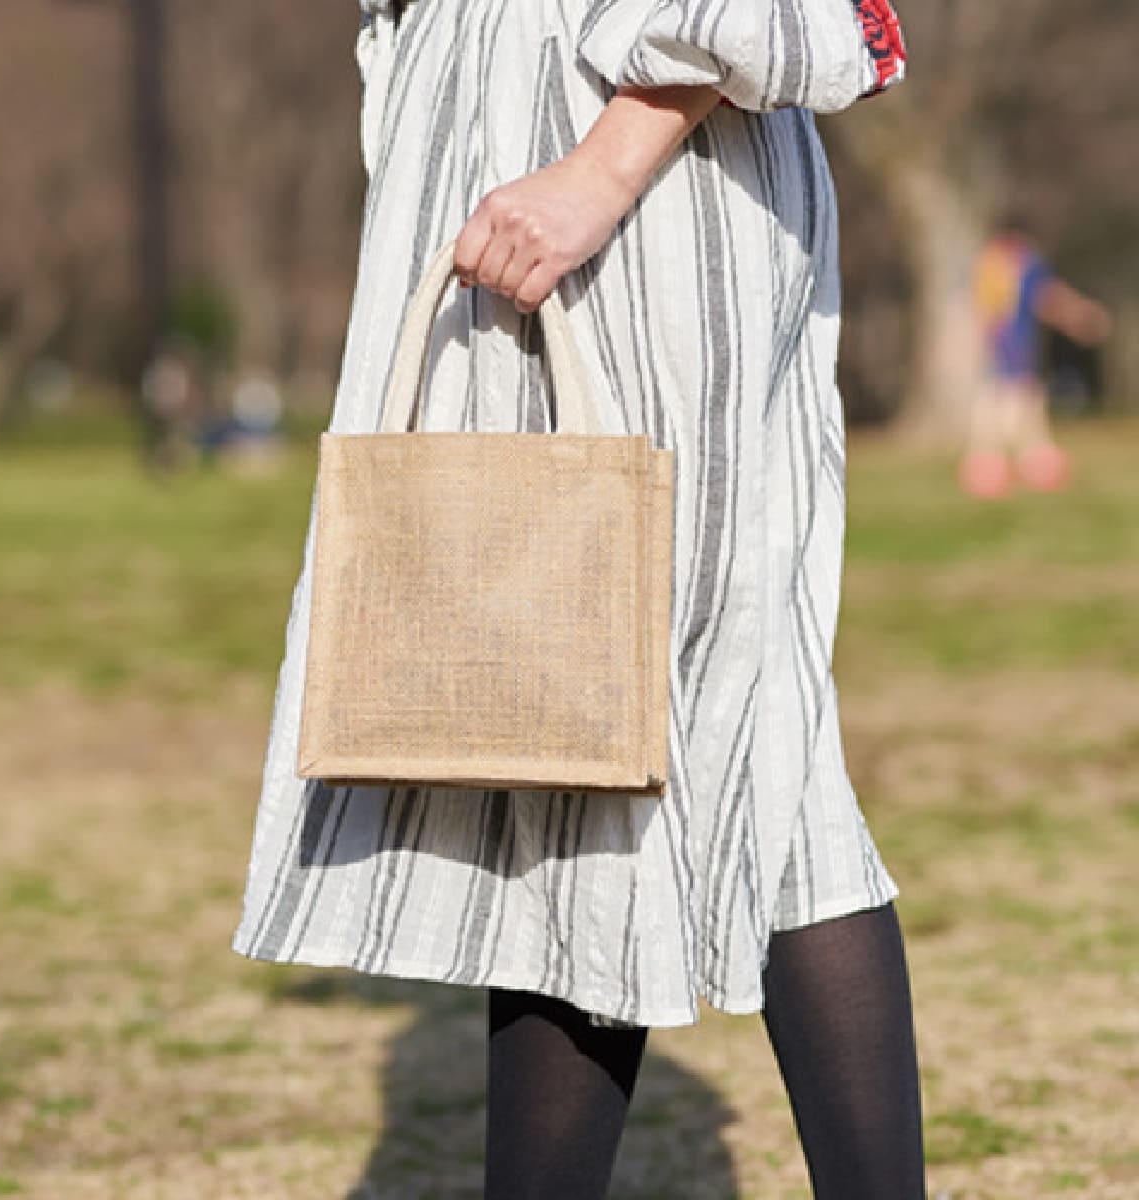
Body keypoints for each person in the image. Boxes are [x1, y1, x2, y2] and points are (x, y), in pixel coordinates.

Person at [232, 2, 924, 1197]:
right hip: (529, 166)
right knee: (678, 751)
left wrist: (600, 172)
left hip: (623, 201)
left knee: (605, 734)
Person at [962, 216, 1112, 499]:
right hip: (1013, 351)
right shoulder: (1020, 264)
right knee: (1017, 410)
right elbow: (1048, 299)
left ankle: (996, 470)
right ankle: (1023, 468)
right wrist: (1081, 318)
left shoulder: (990, 263)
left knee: (1004, 411)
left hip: (1001, 352)